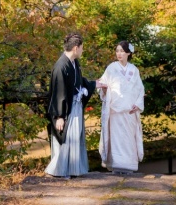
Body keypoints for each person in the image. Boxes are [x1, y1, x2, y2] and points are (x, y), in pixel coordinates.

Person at [45, 33, 105, 177]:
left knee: (75, 137)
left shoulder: (73, 62)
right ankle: (59, 170)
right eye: (82, 48)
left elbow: (78, 81)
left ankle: (72, 169)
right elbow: (59, 92)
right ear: (76, 48)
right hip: (66, 109)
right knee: (67, 138)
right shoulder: (61, 66)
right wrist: (59, 116)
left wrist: (94, 84)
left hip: (75, 106)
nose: (82, 51)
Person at [98, 40, 144, 173]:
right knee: (117, 140)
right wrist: (104, 90)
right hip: (115, 111)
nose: (119, 54)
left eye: (122, 51)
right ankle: (117, 166)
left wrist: (138, 104)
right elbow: (102, 84)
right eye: (117, 51)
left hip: (129, 112)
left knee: (128, 140)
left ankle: (129, 166)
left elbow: (140, 89)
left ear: (128, 53)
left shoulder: (134, 70)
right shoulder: (111, 68)